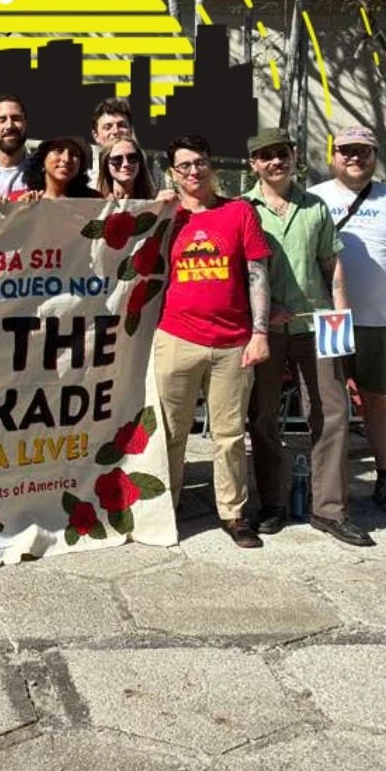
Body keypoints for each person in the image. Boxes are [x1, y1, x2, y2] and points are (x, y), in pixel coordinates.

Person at [243, 128, 372, 547]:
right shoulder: (243, 209)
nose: (275, 162)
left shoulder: (316, 207)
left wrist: (342, 316)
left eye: (281, 154)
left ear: (294, 156)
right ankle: (273, 504)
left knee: (331, 414)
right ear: (254, 164)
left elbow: (332, 266)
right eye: (266, 156)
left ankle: (329, 510)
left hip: (317, 326)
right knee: (262, 418)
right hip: (264, 330)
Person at [152, 134, 271, 549]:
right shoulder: (165, 216)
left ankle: (233, 513)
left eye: (199, 162)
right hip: (175, 337)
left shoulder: (239, 212)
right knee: (169, 431)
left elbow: (257, 274)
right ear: (172, 172)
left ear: (211, 165)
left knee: (230, 434)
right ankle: (164, 505)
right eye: (183, 165)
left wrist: (259, 333)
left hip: (232, 342)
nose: (193, 171)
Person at [310, 125, 386, 516]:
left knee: (378, 399)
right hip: (328, 319)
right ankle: (328, 486)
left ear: (374, 156)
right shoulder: (314, 198)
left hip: (380, 320)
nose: (354, 158)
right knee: (329, 405)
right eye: (346, 150)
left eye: (363, 151)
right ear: (333, 155)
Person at [21, 136, 100, 199]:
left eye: (74, 154)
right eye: (58, 150)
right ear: (42, 160)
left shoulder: (94, 200)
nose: (66, 159)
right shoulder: (23, 198)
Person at [96, 134, 157, 201]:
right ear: (106, 165)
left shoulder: (155, 201)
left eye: (132, 158)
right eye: (117, 159)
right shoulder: (94, 201)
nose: (126, 164)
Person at [88, 97, 133, 186]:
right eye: (108, 127)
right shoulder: (86, 175)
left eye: (121, 125)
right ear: (96, 136)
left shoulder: (152, 172)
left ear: (130, 131)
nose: (116, 131)